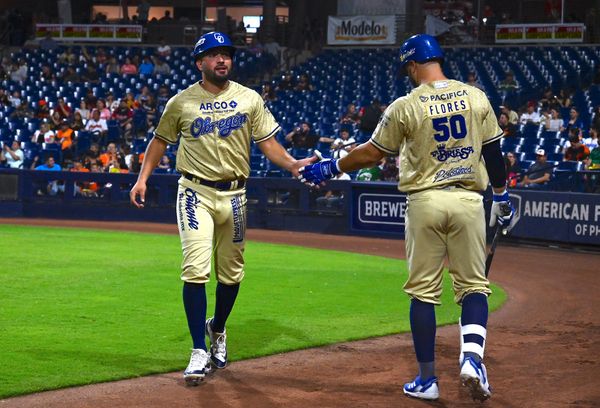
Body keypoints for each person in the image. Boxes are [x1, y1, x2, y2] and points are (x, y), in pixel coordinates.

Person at [299, 34, 514, 402]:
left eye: (408, 68)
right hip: (468, 200)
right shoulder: (476, 96)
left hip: (425, 202)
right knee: (474, 287)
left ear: (413, 65)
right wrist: (503, 196)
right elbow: (494, 154)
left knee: (424, 294)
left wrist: (331, 165)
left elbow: (370, 154)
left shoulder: (406, 104)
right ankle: (472, 359)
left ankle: (427, 380)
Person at [128, 31, 316, 385]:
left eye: (226, 54)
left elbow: (268, 143)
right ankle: (198, 349)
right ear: (200, 63)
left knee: (231, 276)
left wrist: (292, 164)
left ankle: (218, 327)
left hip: (236, 196)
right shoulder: (181, 102)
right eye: (213, 55)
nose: (222, 60)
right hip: (194, 192)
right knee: (195, 271)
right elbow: (159, 141)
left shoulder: (249, 98)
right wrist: (142, 179)